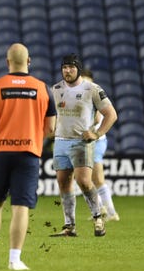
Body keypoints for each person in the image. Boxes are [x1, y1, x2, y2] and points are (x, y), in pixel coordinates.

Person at [0, 43, 57, 271]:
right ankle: (14, 260)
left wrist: (4, 135)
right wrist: (30, 135)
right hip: (28, 153)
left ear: (7, 62)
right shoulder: (42, 88)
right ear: (29, 61)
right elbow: (50, 128)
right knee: (20, 207)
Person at [50, 54, 118, 238]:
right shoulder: (55, 89)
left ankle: (98, 217)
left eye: (71, 67)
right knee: (63, 183)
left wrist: (97, 133)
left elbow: (111, 114)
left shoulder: (92, 89)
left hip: (81, 142)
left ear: (78, 69)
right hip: (60, 142)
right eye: (64, 67)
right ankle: (69, 226)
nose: (67, 70)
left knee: (84, 181)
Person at [80, 69, 119, 221]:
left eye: (87, 81)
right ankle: (104, 211)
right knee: (91, 179)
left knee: (95, 178)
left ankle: (108, 212)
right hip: (92, 141)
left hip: (96, 140)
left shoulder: (94, 94)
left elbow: (96, 119)